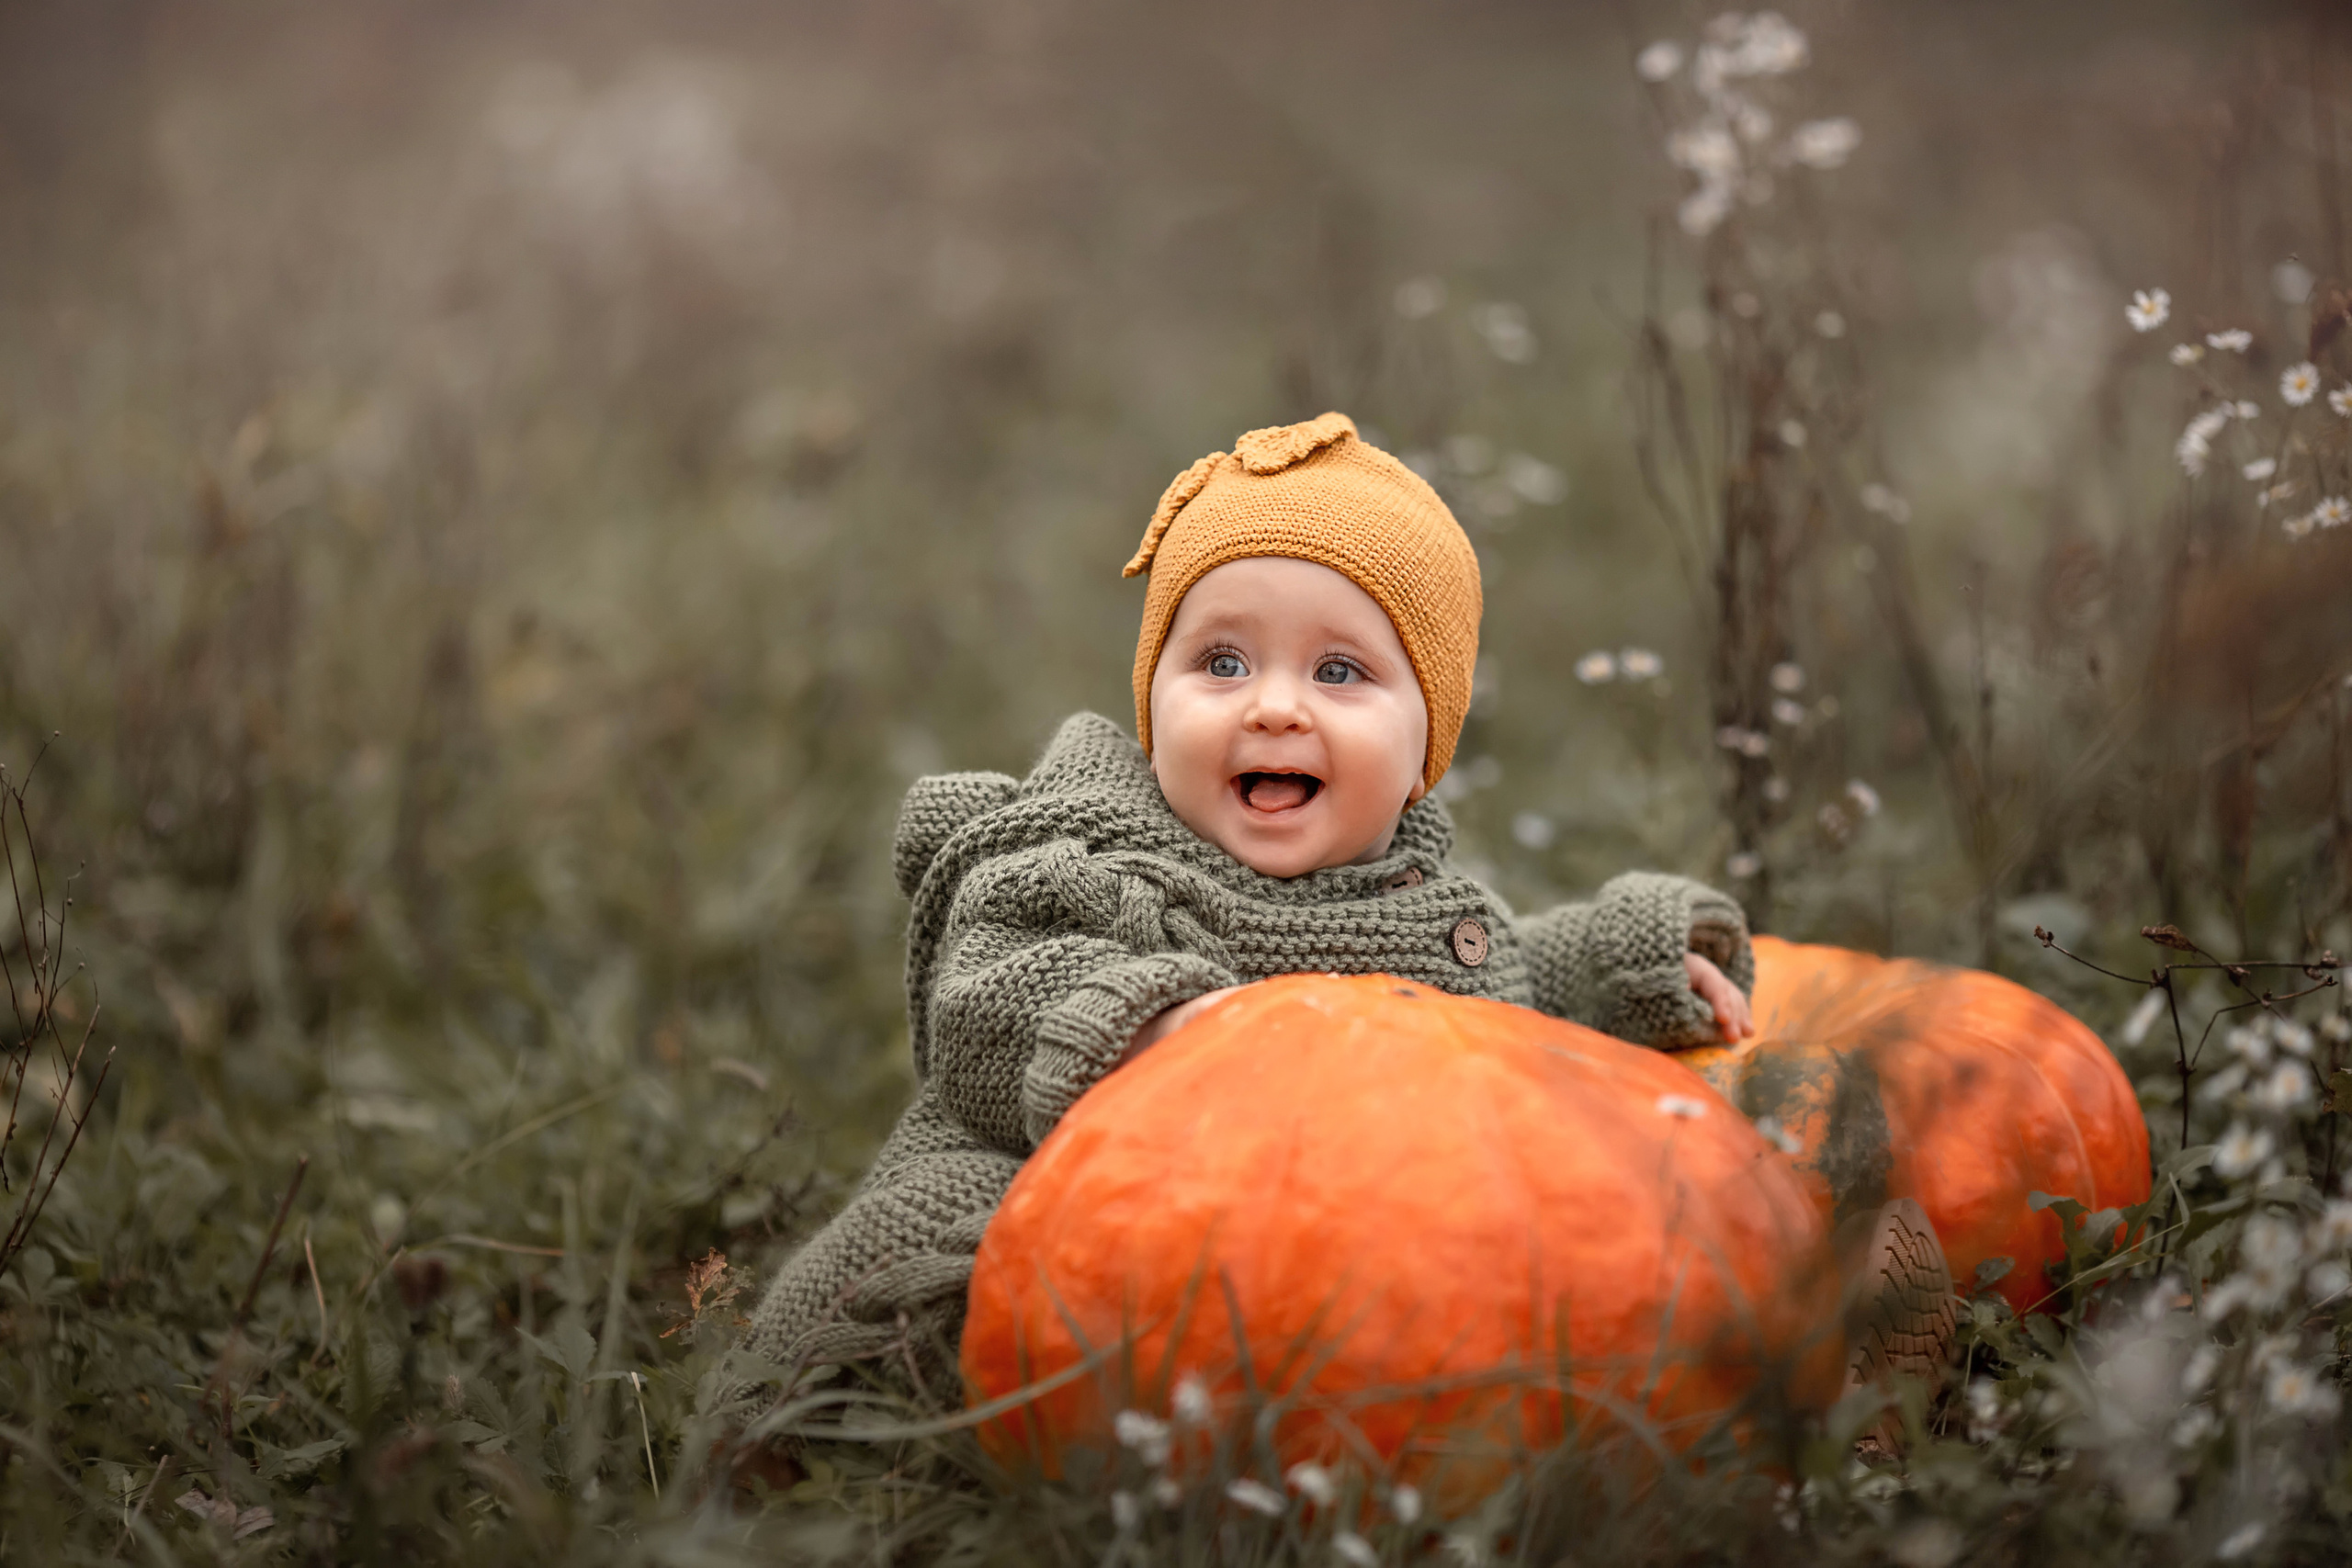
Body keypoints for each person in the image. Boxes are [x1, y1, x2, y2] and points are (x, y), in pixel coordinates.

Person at [743, 412, 1942, 1401]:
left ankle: (1831, 1374)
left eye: (1339, 672)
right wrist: (1162, 1025)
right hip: (1063, 1217)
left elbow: (1500, 990)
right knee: (957, 1291)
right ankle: (837, 1435)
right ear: (1152, 695)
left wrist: (1630, 963)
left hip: (1306, 1256)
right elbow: (990, 1002)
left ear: (1428, 743)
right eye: (1219, 662)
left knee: (1572, 1263)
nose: (1271, 707)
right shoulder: (1090, 857)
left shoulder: (1417, 901)